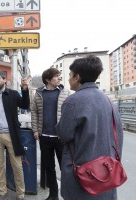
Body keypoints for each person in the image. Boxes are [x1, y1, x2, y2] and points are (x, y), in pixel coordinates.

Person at [55, 55, 124, 200]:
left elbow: (64, 134)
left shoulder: (72, 102)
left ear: (77, 77)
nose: (68, 79)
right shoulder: (108, 101)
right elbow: (119, 135)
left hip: (83, 175)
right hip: (106, 172)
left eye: (70, 75)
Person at [0, 71, 30, 200]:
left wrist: (25, 90)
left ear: (4, 80)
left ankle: (20, 194)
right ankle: (2, 192)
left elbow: (25, 105)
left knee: (17, 166)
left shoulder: (13, 94)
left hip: (11, 135)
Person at [31, 68, 70, 200]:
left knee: (65, 167)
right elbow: (34, 112)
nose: (60, 78)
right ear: (48, 79)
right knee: (49, 168)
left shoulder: (65, 93)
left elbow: (70, 114)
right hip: (44, 137)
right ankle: (53, 195)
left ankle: (68, 194)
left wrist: (65, 131)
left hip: (60, 138)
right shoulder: (39, 94)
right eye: (56, 76)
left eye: (60, 75)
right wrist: (35, 130)